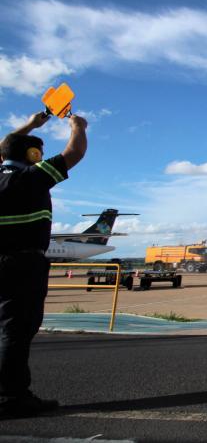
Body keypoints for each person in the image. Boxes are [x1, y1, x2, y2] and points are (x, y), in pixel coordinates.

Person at [0, 111, 87, 419]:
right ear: (33, 155)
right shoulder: (33, 177)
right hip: (23, 264)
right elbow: (73, 152)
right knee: (16, 330)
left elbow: (3, 148)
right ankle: (11, 397)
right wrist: (77, 126)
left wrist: (32, 125)